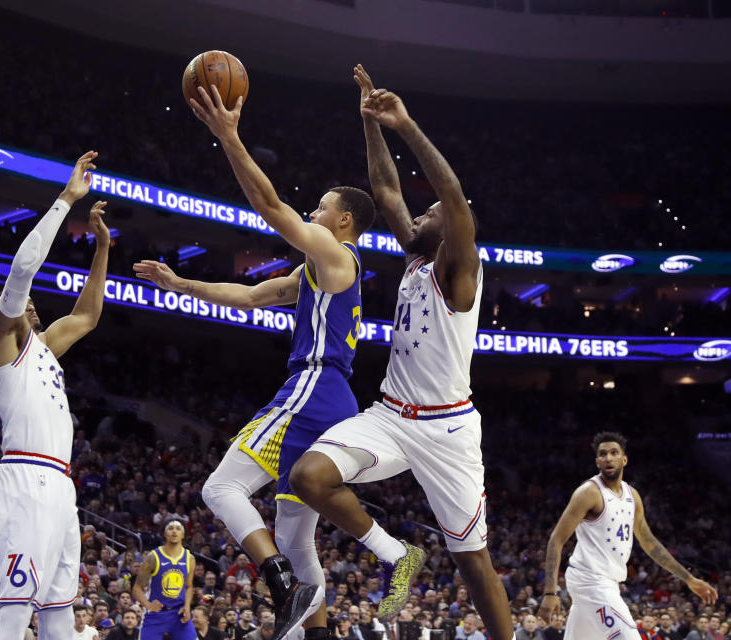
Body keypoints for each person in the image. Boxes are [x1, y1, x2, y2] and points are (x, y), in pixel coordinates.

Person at [137, 82, 376, 640]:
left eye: (321, 208)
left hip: (313, 388)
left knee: (220, 490)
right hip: (339, 401)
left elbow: (271, 207)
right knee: (296, 537)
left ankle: (279, 584)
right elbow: (251, 296)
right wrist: (179, 283)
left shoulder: (336, 255)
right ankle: (311, 631)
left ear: (343, 222)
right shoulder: (320, 273)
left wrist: (229, 137)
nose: (313, 213)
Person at [289, 65, 507, 638]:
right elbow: (385, 190)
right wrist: (372, 124)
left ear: (452, 232)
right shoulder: (415, 257)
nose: (420, 216)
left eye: (429, 216)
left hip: (448, 430)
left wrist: (407, 125)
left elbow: (452, 196)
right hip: (390, 416)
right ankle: (396, 554)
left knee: (472, 561)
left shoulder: (460, 271)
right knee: (310, 477)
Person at [0, 150, 111, 638]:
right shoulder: (2, 344)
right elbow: (22, 271)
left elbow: (87, 317)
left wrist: (101, 248)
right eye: (22, 303)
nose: (31, 304)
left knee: (59, 605)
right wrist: (66, 200)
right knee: (17, 604)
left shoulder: (45, 347)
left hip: (60, 483)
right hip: (25, 477)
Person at [538, 432, 717, 640]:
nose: (608, 458)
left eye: (614, 453)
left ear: (624, 459)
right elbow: (556, 540)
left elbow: (650, 543)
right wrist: (550, 593)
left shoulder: (632, 496)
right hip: (590, 581)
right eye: (603, 454)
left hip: (608, 582)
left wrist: (689, 579)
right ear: (597, 461)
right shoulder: (588, 492)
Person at [132, 522, 195, 640]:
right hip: (157, 614)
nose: (174, 531)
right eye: (170, 528)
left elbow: (189, 586)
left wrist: (187, 606)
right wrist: (147, 605)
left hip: (179, 614)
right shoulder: (152, 557)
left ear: (183, 535)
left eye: (178, 529)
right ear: (165, 534)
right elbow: (137, 588)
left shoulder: (190, 558)